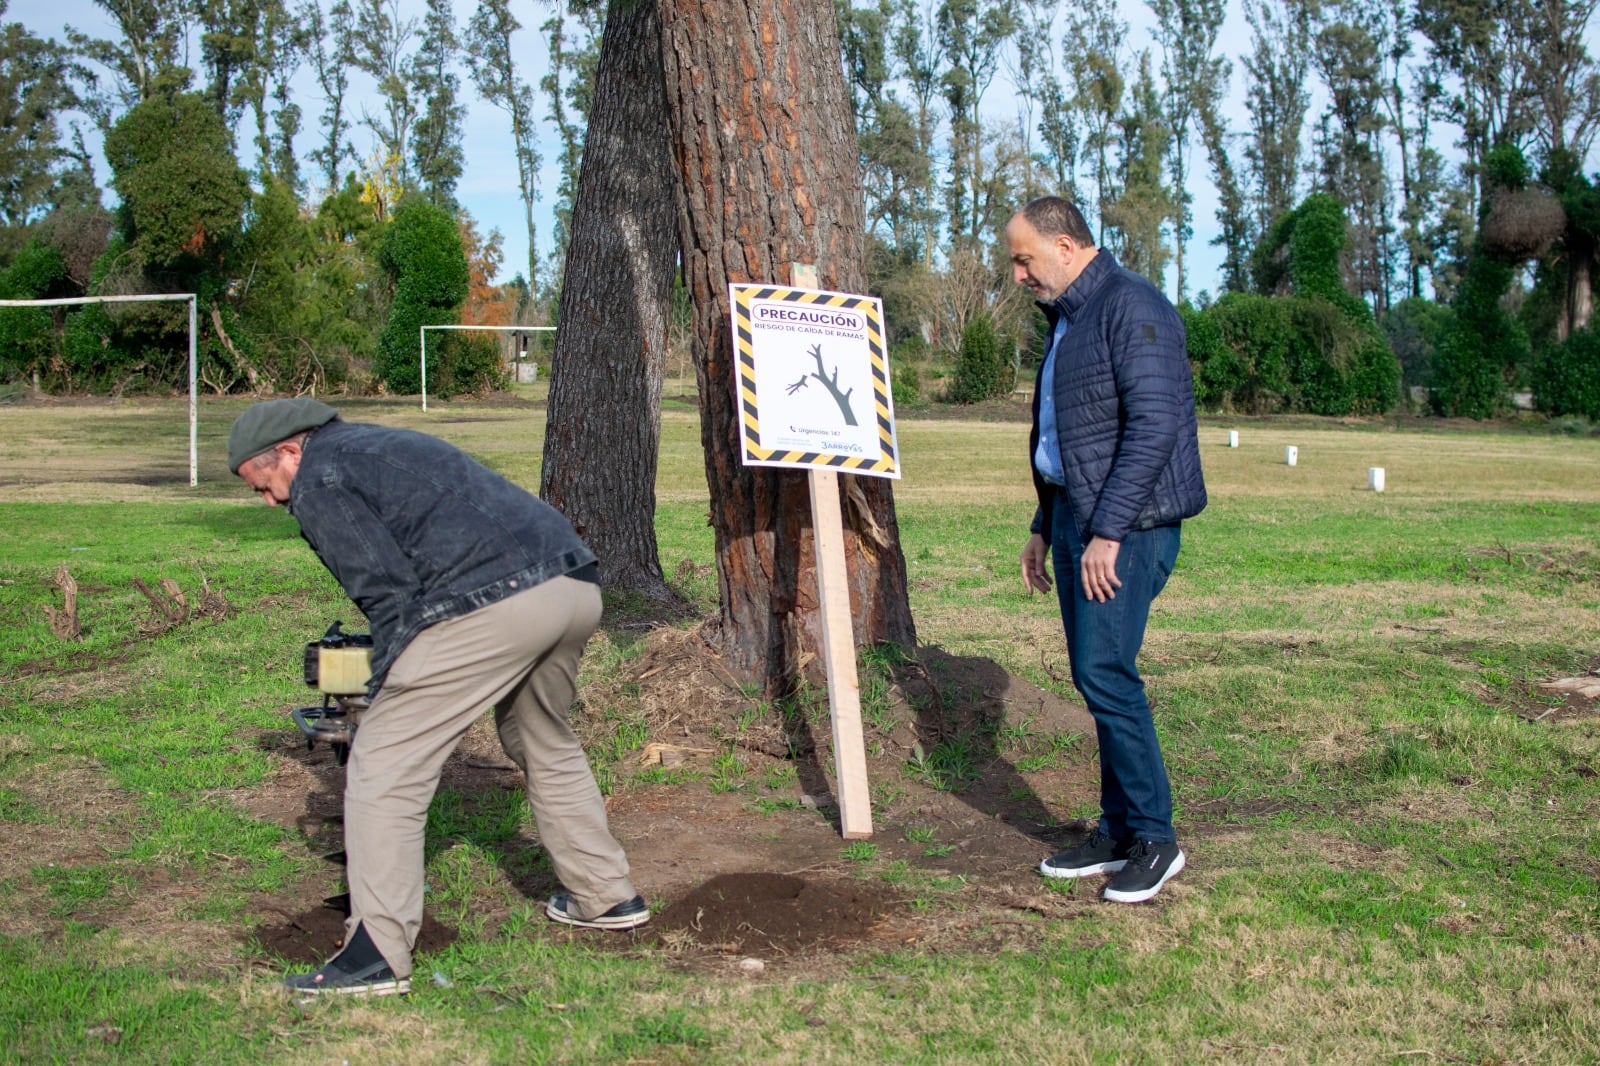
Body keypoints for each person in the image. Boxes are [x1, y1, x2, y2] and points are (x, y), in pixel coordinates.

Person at [229, 399, 648, 997]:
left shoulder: (321, 477)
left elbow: (388, 592)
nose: (270, 502)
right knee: (542, 737)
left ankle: (375, 954)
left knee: (384, 765)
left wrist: (379, 694)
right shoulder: (378, 444)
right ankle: (606, 897)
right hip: (572, 583)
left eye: (264, 485)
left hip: (496, 600)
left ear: (291, 451)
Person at [1006, 197, 1207, 904]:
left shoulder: (1132, 307)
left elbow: (1154, 430)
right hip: (1075, 520)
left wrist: (1109, 534)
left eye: (1024, 257)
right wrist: (1044, 521)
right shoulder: (1071, 319)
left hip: (1127, 529)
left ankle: (1155, 839)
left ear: (1065, 245)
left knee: (1105, 674)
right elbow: (1071, 439)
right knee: (1097, 675)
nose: (1019, 273)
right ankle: (1119, 829)